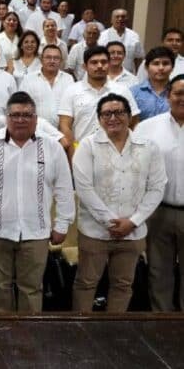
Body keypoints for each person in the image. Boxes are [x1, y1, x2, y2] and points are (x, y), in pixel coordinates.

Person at [0, 91, 75, 312]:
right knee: (0, 286)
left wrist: (62, 223)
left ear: (36, 119)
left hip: (36, 232)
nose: (21, 120)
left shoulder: (52, 147)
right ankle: (4, 337)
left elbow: (64, 189)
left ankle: (29, 339)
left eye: (27, 115)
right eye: (15, 115)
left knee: (32, 288)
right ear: (6, 117)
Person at [72, 93, 166, 312]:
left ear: (129, 115)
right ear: (99, 118)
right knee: (86, 283)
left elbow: (157, 187)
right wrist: (111, 222)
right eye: (107, 113)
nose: (113, 118)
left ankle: (114, 334)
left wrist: (133, 222)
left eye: (119, 112)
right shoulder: (88, 146)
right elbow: (84, 188)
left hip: (133, 232)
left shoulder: (148, 146)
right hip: (95, 231)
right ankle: (80, 330)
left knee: (123, 285)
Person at [135, 74, 184, 311]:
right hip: (158, 212)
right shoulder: (147, 128)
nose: (183, 99)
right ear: (167, 95)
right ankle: (162, 324)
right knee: (158, 271)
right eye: (178, 93)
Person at [59, 45, 140, 158]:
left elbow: (134, 121)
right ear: (84, 66)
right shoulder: (72, 90)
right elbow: (64, 125)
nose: (100, 66)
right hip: (82, 151)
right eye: (94, 62)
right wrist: (73, 152)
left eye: (104, 62)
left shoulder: (122, 90)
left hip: (116, 152)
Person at [19, 45, 75, 127]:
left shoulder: (68, 79)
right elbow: (22, 105)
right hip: (36, 131)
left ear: (61, 61)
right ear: (41, 59)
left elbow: (72, 106)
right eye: (48, 57)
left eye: (56, 58)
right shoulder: (29, 79)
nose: (52, 61)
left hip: (62, 132)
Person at [131, 47, 176, 121]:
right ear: (146, 67)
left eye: (165, 63)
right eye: (156, 63)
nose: (161, 68)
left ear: (172, 67)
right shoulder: (133, 92)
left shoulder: (178, 93)